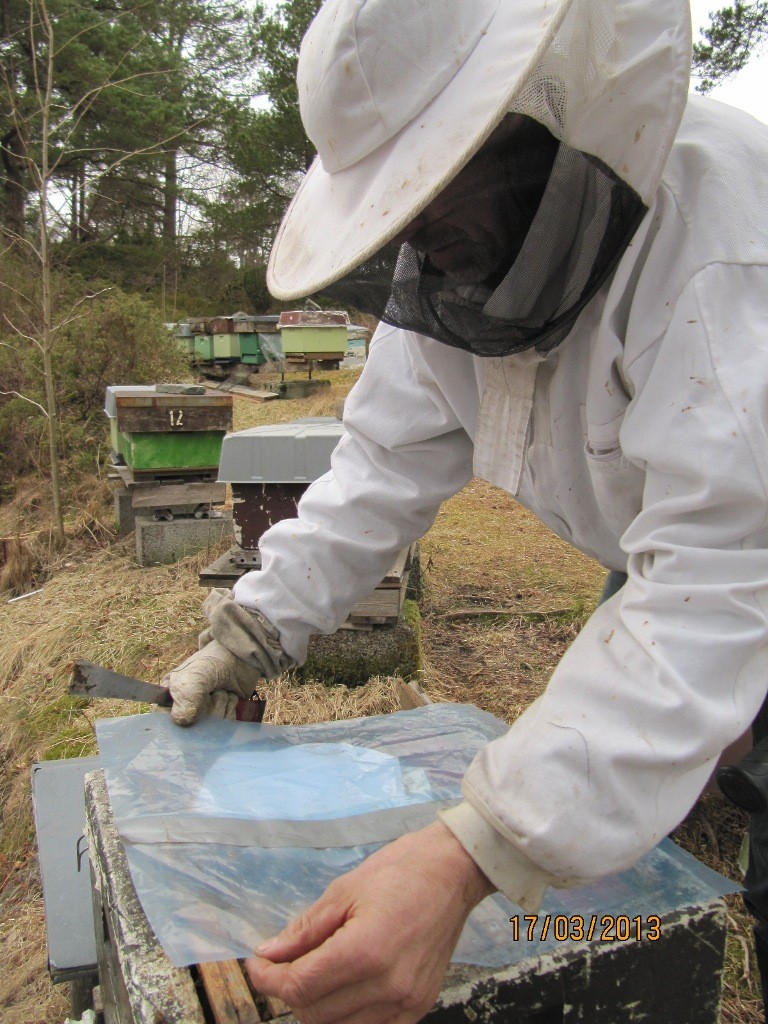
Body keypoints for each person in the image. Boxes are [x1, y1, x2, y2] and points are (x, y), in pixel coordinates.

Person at [164, 0, 768, 1020]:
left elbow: (719, 579)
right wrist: (258, 626)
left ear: (524, 133)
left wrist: (469, 855)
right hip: (679, 549)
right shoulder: (462, 266)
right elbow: (380, 465)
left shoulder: (722, 244)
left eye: (432, 197)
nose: (419, 241)